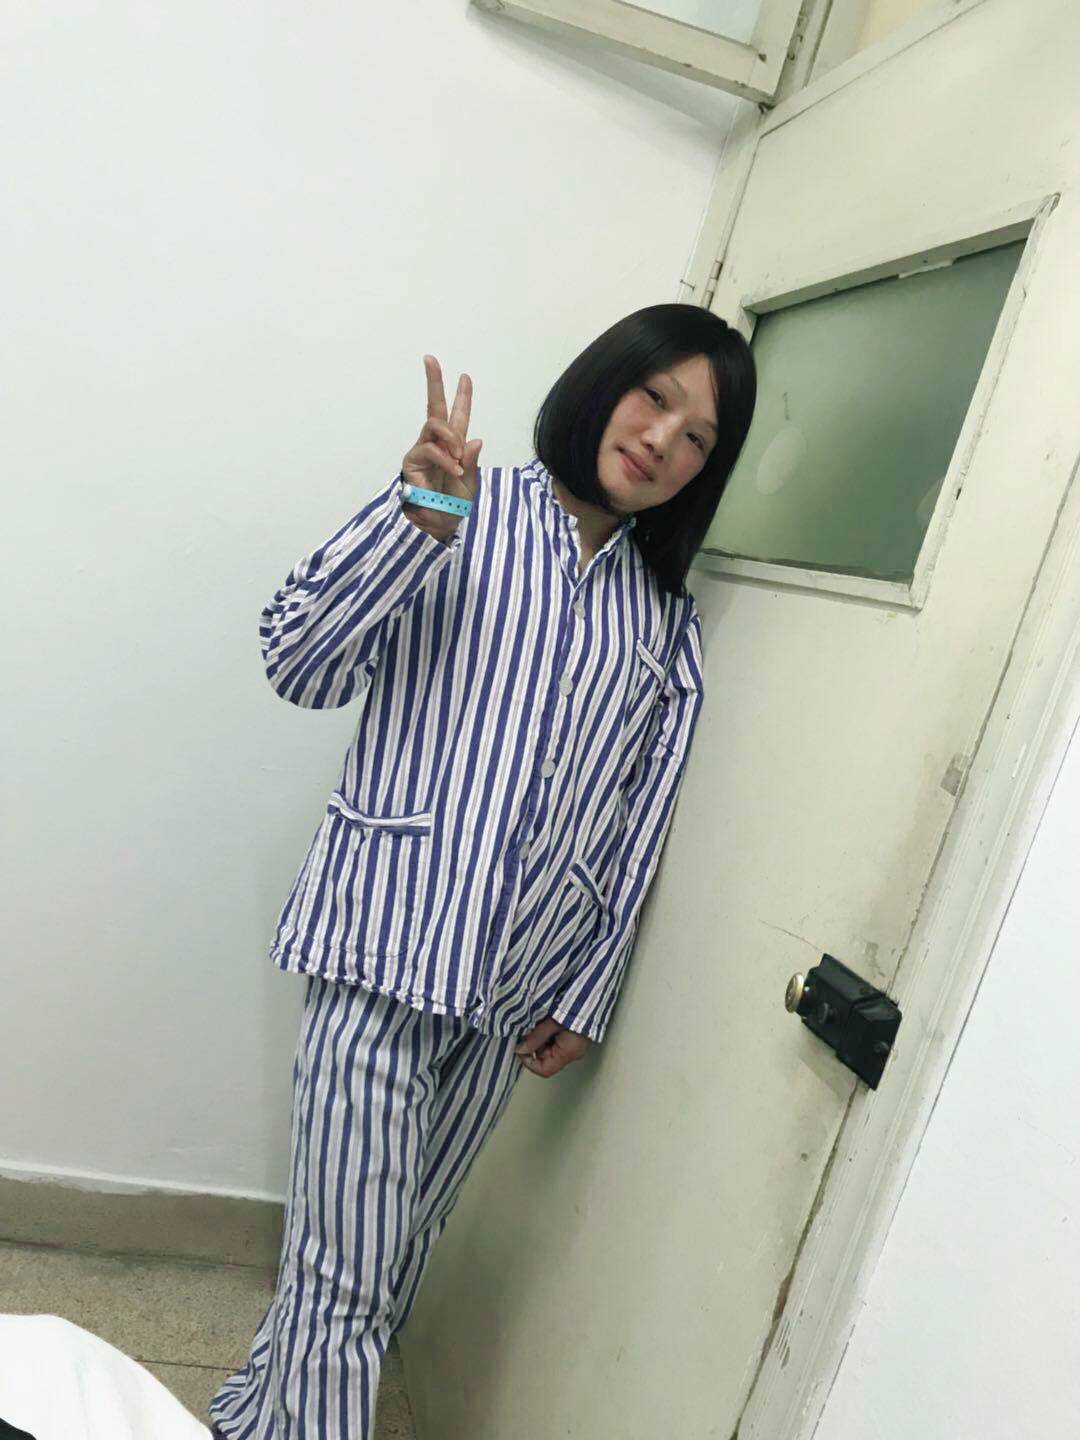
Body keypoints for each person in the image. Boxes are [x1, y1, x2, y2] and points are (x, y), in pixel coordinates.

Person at [209, 303, 756, 1439]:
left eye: (699, 437)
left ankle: (254, 1418)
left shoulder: (666, 625)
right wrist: (416, 527)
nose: (664, 439)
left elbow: (635, 824)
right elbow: (295, 662)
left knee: (388, 1258)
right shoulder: (460, 506)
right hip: (382, 949)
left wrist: (584, 992)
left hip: (505, 999)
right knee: (346, 1281)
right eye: (655, 397)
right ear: (604, 383)